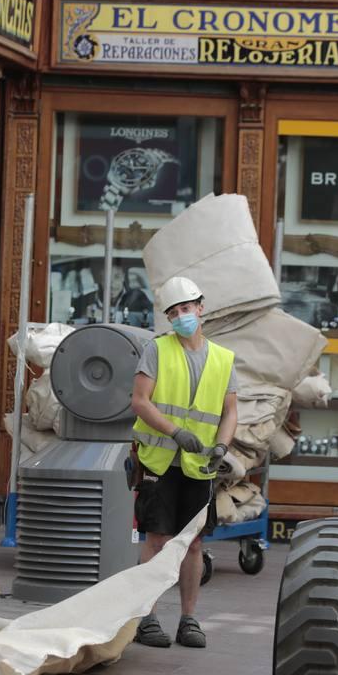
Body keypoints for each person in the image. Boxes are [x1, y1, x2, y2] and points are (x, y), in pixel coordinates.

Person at [130, 277, 238, 648]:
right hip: (161, 461)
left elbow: (230, 411)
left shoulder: (223, 360)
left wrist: (222, 446)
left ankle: (189, 620)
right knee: (157, 539)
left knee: (192, 543)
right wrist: (175, 432)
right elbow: (140, 401)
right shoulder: (156, 350)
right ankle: (147, 618)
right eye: (173, 313)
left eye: (186, 309)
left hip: (200, 465)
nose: (181, 317)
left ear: (200, 307)